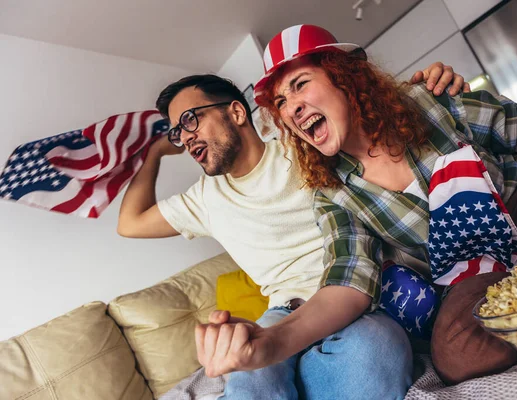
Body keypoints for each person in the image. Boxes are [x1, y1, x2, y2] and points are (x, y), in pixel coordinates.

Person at [253, 24, 517, 384]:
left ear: (344, 77)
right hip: (475, 274)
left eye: (300, 84)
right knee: (459, 354)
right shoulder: (331, 194)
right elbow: (349, 281)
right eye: (280, 102)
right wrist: (274, 340)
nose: (291, 107)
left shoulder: (425, 98)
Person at [117, 64, 468, 397]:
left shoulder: (305, 147)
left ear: (237, 113)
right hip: (280, 315)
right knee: (246, 366)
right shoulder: (203, 199)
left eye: (191, 119)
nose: (185, 137)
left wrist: (435, 84)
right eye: (177, 132)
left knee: (377, 350)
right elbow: (129, 223)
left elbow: (368, 117)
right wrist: (154, 155)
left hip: (356, 301)